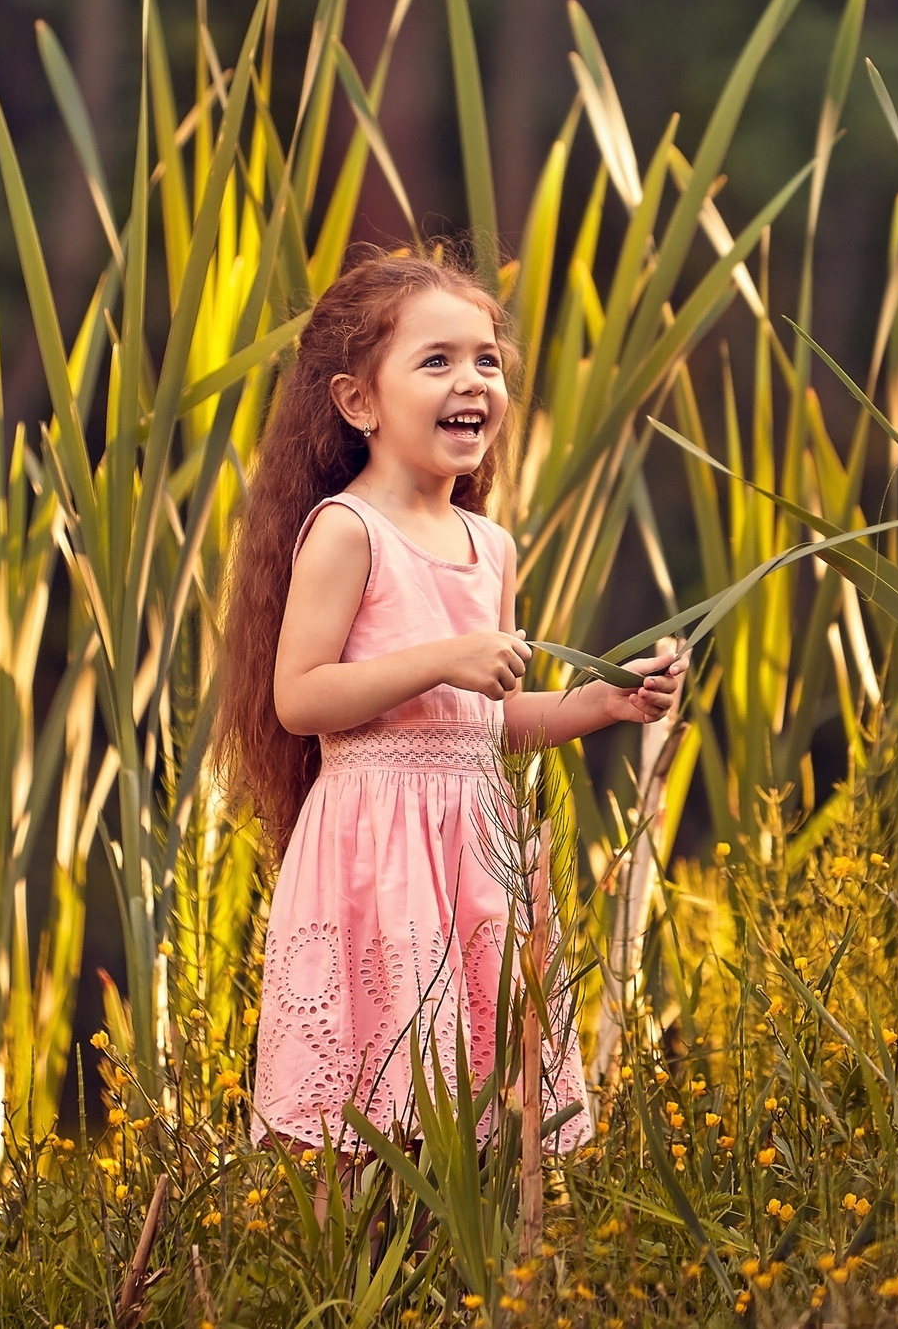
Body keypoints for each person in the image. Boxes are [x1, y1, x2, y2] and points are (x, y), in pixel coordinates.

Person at [217, 244, 686, 1157]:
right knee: (368, 1110)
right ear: (358, 401)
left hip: (474, 845)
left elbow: (486, 723)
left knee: (479, 1110)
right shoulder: (348, 531)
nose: (471, 380)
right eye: (436, 361)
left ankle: (470, 1241)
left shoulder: (489, 545)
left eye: (486, 360)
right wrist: (444, 658)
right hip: (377, 850)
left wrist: (604, 705)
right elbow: (300, 698)